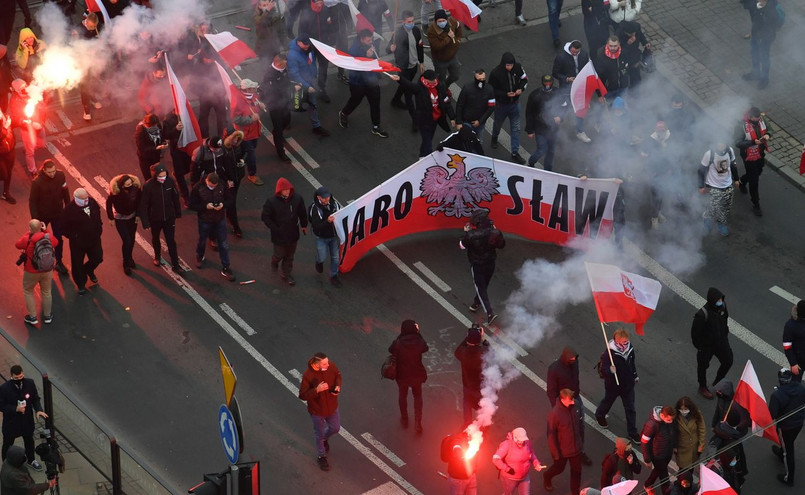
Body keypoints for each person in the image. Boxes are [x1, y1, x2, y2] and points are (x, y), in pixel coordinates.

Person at [391, 69, 455, 158]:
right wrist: (399, 79)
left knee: (428, 140)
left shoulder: (440, 86)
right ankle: (426, 157)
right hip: (424, 120)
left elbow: (446, 101)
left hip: (435, 119)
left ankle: (422, 155)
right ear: (426, 79)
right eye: (432, 79)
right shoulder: (419, 88)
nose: (434, 80)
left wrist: (452, 117)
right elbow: (409, 85)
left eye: (435, 78)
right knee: (428, 143)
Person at [337, 29, 389, 138]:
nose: (371, 41)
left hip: (372, 80)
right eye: (368, 40)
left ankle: (376, 126)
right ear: (361, 39)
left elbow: (375, 59)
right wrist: (366, 56)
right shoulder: (353, 50)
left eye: (371, 39)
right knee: (355, 100)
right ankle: (344, 113)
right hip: (358, 82)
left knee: (375, 103)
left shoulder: (371, 44)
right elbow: (355, 66)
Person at [546, 346, 593, 466]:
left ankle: (580, 451)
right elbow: (551, 391)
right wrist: (556, 407)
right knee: (566, 430)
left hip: (576, 399)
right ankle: (562, 452)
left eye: (574, 357)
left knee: (580, 426)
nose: (573, 359)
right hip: (563, 404)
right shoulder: (554, 369)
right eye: (571, 358)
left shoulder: (575, 363)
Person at [460, 209, 505, 325]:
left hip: (477, 264)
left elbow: (462, 246)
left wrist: (466, 232)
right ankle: (477, 302)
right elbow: (501, 245)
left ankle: (489, 313)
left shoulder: (471, 235)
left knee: (480, 287)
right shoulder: (495, 232)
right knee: (484, 285)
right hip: (490, 262)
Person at [595, 328, 640, 443]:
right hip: (613, 385)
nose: (626, 344)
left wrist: (635, 375)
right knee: (608, 401)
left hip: (628, 385)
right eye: (624, 342)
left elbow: (632, 363)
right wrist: (610, 370)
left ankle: (632, 432)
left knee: (631, 408)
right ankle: (600, 415)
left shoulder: (629, 348)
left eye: (627, 341)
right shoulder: (608, 354)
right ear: (617, 340)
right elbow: (604, 370)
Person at [297, 352, 341, 471]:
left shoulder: (330, 366)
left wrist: (337, 386)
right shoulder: (308, 375)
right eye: (325, 363)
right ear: (317, 364)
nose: (328, 364)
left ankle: (324, 439)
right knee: (319, 433)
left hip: (332, 406)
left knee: (335, 428)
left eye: (327, 362)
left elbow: (338, 375)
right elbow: (302, 395)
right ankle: (321, 456)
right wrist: (316, 390)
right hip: (317, 411)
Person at [189, 172, 236, 281]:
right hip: (205, 220)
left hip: (219, 219)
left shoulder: (222, 185)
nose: (212, 187)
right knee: (202, 240)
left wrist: (222, 205)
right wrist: (205, 207)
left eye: (214, 186)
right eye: (211, 185)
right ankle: (199, 256)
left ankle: (226, 267)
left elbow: (230, 199)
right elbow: (192, 204)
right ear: (206, 180)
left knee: (223, 244)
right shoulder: (198, 188)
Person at [261, 177, 308, 286]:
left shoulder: (297, 198)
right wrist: (275, 228)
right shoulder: (271, 202)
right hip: (279, 235)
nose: (287, 191)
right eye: (284, 190)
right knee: (280, 254)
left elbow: (302, 212)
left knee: (290, 255)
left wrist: (304, 225)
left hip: (293, 234)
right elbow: (265, 217)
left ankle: (286, 274)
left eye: (288, 189)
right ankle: (275, 260)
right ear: (279, 191)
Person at [0, 365, 46, 470]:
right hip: (11, 422)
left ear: (23, 373)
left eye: (21, 376)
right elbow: (1, 405)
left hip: (26, 420)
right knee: (8, 443)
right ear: (11, 376)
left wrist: (38, 410)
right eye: (16, 378)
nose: (19, 379)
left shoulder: (30, 383)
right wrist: (15, 409)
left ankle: (31, 460)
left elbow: (35, 398)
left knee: (29, 440)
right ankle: (6, 464)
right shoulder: (4, 388)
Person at [138, 164, 182, 274]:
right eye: (160, 176)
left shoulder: (170, 181)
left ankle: (175, 265)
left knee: (171, 241)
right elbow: (144, 205)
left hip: (169, 218)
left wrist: (177, 213)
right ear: (155, 176)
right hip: (155, 219)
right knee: (155, 237)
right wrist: (145, 222)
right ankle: (157, 256)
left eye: (164, 176)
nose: (163, 178)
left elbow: (175, 198)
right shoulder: (148, 186)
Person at [691, 287, 733, 399]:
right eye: (718, 300)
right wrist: (701, 347)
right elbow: (695, 335)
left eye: (721, 299)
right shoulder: (702, 315)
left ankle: (718, 382)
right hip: (707, 346)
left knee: (728, 360)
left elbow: (725, 320)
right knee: (703, 366)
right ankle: (702, 386)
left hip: (721, 342)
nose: (720, 302)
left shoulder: (723, 307)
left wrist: (724, 334)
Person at [29, 160, 70, 275]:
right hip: (43, 216)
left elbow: (65, 192)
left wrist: (68, 209)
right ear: (44, 170)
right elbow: (32, 201)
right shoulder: (37, 182)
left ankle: (59, 261)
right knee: (39, 239)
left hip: (57, 213)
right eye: (50, 172)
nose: (52, 174)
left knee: (58, 239)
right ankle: (37, 258)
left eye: (53, 171)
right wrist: (36, 220)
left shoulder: (60, 175)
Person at [388, 319, 429, 434]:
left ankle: (405, 419)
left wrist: (401, 336)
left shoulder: (398, 343)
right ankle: (418, 422)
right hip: (417, 375)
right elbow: (426, 348)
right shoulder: (419, 342)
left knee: (402, 396)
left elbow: (390, 350)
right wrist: (418, 333)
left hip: (402, 376)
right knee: (418, 397)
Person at [14, 219, 57, 325]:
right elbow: (56, 242)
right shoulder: (48, 237)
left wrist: (29, 233)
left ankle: (32, 317)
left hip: (31, 270)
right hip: (47, 270)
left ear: (30, 228)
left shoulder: (28, 239)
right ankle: (47, 316)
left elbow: (17, 244)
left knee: (28, 291)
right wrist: (46, 231)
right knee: (46, 292)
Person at [61, 188, 103, 295]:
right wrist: (74, 236)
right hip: (78, 243)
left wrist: (99, 227)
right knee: (77, 263)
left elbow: (98, 215)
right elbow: (63, 228)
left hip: (94, 238)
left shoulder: (92, 202)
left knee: (98, 257)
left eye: (86, 198)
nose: (85, 200)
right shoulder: (68, 211)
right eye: (83, 199)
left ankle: (87, 270)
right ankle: (80, 284)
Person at [286, 36, 331, 137]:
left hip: (310, 81)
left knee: (312, 104)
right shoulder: (293, 56)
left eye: (308, 44)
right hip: (299, 84)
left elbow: (312, 63)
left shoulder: (309, 49)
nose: (307, 46)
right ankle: (285, 121)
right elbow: (294, 74)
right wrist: (307, 86)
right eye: (304, 44)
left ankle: (316, 126)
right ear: (298, 42)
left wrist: (313, 78)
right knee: (293, 102)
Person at [387, 11, 424, 132]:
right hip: (403, 67)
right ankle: (415, 120)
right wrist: (390, 48)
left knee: (404, 85)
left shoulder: (416, 31)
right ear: (403, 22)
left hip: (413, 66)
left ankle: (395, 100)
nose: (412, 23)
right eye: (409, 22)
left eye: (413, 21)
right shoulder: (397, 33)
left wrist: (421, 62)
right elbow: (388, 49)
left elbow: (420, 46)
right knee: (409, 93)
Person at [489, 52, 528, 164]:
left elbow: (524, 79)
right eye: (507, 65)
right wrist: (505, 94)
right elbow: (491, 90)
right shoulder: (495, 73)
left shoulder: (518, 67)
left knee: (516, 128)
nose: (509, 67)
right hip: (501, 105)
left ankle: (515, 152)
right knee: (497, 123)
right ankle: (494, 136)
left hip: (515, 104)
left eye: (511, 65)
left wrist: (521, 89)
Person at [543, 389, 584, 495]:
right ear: (563, 399)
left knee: (577, 471)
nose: (573, 402)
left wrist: (581, 441)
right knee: (559, 469)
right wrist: (556, 454)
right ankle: (547, 476)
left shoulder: (576, 405)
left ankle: (574, 492)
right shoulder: (554, 414)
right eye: (570, 400)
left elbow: (580, 424)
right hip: (562, 451)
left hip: (576, 449)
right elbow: (551, 436)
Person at [711, 379, 750, 488]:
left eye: (720, 392)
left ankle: (739, 478)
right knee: (726, 458)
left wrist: (735, 427)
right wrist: (714, 424)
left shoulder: (738, 405)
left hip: (736, 436)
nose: (718, 393)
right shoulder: (721, 400)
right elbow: (717, 412)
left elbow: (746, 421)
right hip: (725, 432)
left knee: (737, 457)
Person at [770, 368, 805, 486]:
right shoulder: (800, 388)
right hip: (799, 423)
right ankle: (781, 452)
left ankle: (789, 478)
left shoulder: (777, 395)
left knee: (788, 451)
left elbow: (772, 415)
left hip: (785, 427)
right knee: (788, 443)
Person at [552, 40, 592, 143]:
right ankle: (556, 130)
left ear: (579, 50)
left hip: (579, 87)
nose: (574, 54)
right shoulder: (561, 57)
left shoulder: (583, 55)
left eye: (576, 52)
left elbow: (587, 68)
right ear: (570, 48)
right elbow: (555, 73)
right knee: (564, 108)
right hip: (566, 88)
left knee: (579, 109)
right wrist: (567, 79)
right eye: (572, 52)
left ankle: (580, 131)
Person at [735, 106, 770, 217]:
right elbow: (737, 142)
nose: (759, 120)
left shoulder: (761, 119)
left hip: (760, 153)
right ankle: (756, 203)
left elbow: (769, 128)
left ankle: (742, 181)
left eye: (759, 118)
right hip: (748, 156)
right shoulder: (741, 126)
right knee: (754, 180)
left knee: (757, 171)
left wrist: (768, 135)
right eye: (756, 119)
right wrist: (752, 142)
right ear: (750, 117)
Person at [699, 142, 738, 236]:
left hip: (727, 184)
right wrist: (700, 186)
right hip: (713, 185)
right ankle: (707, 219)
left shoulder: (730, 151)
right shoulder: (709, 154)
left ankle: (721, 224)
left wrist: (736, 179)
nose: (720, 145)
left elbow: (733, 165)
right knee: (713, 207)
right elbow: (701, 170)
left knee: (726, 207)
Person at [492, 427, 547, 495]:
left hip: (524, 477)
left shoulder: (527, 442)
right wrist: (507, 469)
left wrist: (536, 463)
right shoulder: (506, 445)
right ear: (515, 438)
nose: (521, 442)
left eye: (523, 440)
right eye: (519, 440)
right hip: (509, 479)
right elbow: (495, 459)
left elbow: (531, 453)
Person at [298, 0, 334, 102]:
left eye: (321, 3)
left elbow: (330, 26)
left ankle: (321, 89)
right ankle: (307, 90)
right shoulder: (306, 12)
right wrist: (303, 44)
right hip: (310, 46)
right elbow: (301, 31)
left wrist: (331, 41)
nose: (319, 5)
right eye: (317, 3)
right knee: (309, 68)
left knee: (324, 68)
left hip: (323, 45)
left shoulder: (326, 10)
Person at [232, 79, 266, 185]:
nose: (255, 89)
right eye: (252, 88)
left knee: (246, 150)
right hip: (244, 133)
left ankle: (237, 160)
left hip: (254, 131)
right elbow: (236, 119)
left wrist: (261, 106)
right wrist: (251, 118)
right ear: (247, 89)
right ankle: (252, 174)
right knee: (251, 154)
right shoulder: (237, 101)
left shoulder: (254, 97)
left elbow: (256, 106)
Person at [106, 174, 141, 275]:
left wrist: (138, 215)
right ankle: (125, 263)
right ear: (122, 185)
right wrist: (111, 218)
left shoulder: (136, 190)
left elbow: (139, 202)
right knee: (127, 241)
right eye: (127, 184)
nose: (130, 185)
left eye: (131, 183)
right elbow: (108, 204)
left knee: (132, 239)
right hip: (120, 219)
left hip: (132, 218)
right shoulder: (115, 193)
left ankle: (129, 257)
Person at [8, 79, 45, 177]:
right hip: (27, 129)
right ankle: (33, 171)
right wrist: (30, 123)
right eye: (21, 88)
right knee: (30, 152)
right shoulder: (14, 101)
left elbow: (42, 107)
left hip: (38, 125)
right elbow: (16, 119)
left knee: (41, 144)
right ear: (16, 91)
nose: (24, 89)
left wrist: (41, 121)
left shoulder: (32, 92)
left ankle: (29, 147)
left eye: (24, 86)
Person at [261, 53, 293, 163]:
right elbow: (272, 91)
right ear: (278, 64)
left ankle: (277, 132)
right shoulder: (269, 75)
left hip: (284, 101)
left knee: (287, 121)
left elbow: (286, 81)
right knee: (278, 127)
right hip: (274, 104)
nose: (285, 67)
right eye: (284, 65)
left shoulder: (283, 70)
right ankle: (281, 152)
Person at [525, 75, 562, 171]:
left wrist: (560, 117)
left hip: (553, 129)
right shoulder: (535, 95)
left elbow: (564, 107)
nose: (547, 85)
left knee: (551, 151)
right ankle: (531, 162)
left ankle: (548, 170)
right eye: (546, 82)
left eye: (549, 82)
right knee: (542, 149)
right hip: (540, 128)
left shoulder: (557, 93)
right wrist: (530, 130)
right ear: (542, 82)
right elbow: (529, 113)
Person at [308, 186, 342, 287]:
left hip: (333, 236)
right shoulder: (315, 209)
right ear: (319, 197)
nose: (327, 199)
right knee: (322, 256)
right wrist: (327, 222)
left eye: (328, 196)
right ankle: (319, 261)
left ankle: (333, 276)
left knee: (335, 257)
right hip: (321, 238)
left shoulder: (334, 204)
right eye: (324, 197)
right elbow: (316, 227)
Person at [454, 324, 489, 426]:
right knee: (481, 407)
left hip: (467, 385)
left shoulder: (463, 353)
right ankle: (481, 426)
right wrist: (483, 339)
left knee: (467, 404)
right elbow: (489, 350)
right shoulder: (482, 354)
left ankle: (467, 425)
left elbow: (457, 350)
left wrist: (467, 338)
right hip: (480, 388)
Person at [742, 0, 780, 89]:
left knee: (764, 56)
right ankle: (755, 73)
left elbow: (772, 25)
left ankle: (764, 79)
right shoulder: (756, 4)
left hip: (765, 37)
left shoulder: (771, 10)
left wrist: (760, 11)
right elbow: (746, 5)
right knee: (754, 53)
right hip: (756, 33)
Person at [641, 405, 677, 495]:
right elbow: (644, 442)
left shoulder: (668, 419)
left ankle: (648, 484)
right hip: (658, 455)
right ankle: (666, 492)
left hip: (667, 452)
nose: (671, 421)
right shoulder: (651, 425)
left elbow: (672, 433)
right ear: (662, 415)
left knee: (658, 470)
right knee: (664, 477)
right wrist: (647, 460)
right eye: (669, 420)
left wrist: (674, 446)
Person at [455, 69, 495, 141]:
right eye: (479, 79)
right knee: (464, 142)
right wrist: (458, 122)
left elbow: (491, 107)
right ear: (475, 78)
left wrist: (480, 121)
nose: (482, 81)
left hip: (480, 124)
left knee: (478, 142)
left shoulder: (489, 89)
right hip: (466, 122)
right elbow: (460, 104)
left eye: (483, 79)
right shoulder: (467, 88)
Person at [674, 396, 705, 488]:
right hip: (682, 448)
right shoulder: (676, 417)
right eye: (681, 409)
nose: (683, 411)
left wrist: (701, 443)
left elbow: (702, 428)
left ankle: (688, 484)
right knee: (682, 469)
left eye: (685, 409)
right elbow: (673, 432)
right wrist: (674, 446)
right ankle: (681, 484)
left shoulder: (696, 414)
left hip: (694, 447)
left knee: (691, 467)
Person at [427, 10, 462, 90]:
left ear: (446, 19)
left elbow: (458, 26)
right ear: (436, 21)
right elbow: (436, 46)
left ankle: (446, 86)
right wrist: (448, 38)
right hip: (440, 60)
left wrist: (458, 39)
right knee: (440, 79)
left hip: (452, 56)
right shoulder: (431, 31)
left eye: (444, 20)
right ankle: (441, 90)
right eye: (439, 21)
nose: (442, 23)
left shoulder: (452, 22)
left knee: (455, 76)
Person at [440, 429, 478, 494]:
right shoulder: (466, 440)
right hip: (468, 475)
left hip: (458, 478)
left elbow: (444, 458)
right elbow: (456, 446)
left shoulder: (449, 440)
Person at [134, 113, 167, 181]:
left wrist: (163, 142)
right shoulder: (140, 131)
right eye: (151, 126)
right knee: (149, 177)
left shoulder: (157, 125)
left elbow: (161, 135)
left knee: (157, 173)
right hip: (146, 158)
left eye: (155, 125)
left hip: (156, 155)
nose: (154, 127)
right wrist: (156, 148)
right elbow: (142, 148)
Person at [783, 300, 805, 383]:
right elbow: (787, 346)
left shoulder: (790, 325)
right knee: (795, 384)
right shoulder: (791, 325)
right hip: (798, 362)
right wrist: (793, 363)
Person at [0, 110, 14, 204]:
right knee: (3, 174)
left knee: (8, 173)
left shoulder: (2, 115)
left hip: (10, 151)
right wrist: (5, 127)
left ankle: (5, 193)